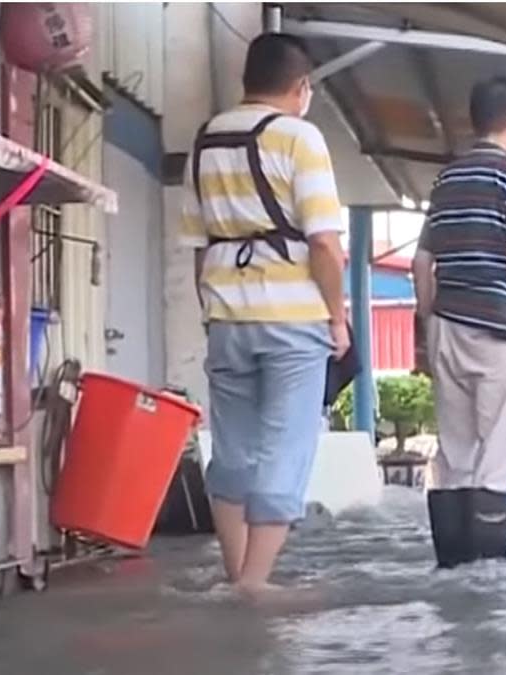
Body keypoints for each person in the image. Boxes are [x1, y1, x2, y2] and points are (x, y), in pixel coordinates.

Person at [177, 33, 348, 596]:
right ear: (301, 88)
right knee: (286, 445)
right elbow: (324, 243)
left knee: (234, 449)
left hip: (226, 315)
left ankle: (237, 574)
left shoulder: (206, 141)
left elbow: (200, 244)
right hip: (293, 319)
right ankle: (254, 582)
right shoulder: (301, 139)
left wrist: (211, 310)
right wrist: (337, 316)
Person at [412, 76, 506, 568]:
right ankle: (488, 574)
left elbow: (421, 263)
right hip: (498, 331)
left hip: (447, 326)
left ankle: (451, 568)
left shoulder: (445, 180)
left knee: (455, 454)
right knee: (501, 452)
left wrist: (429, 324)